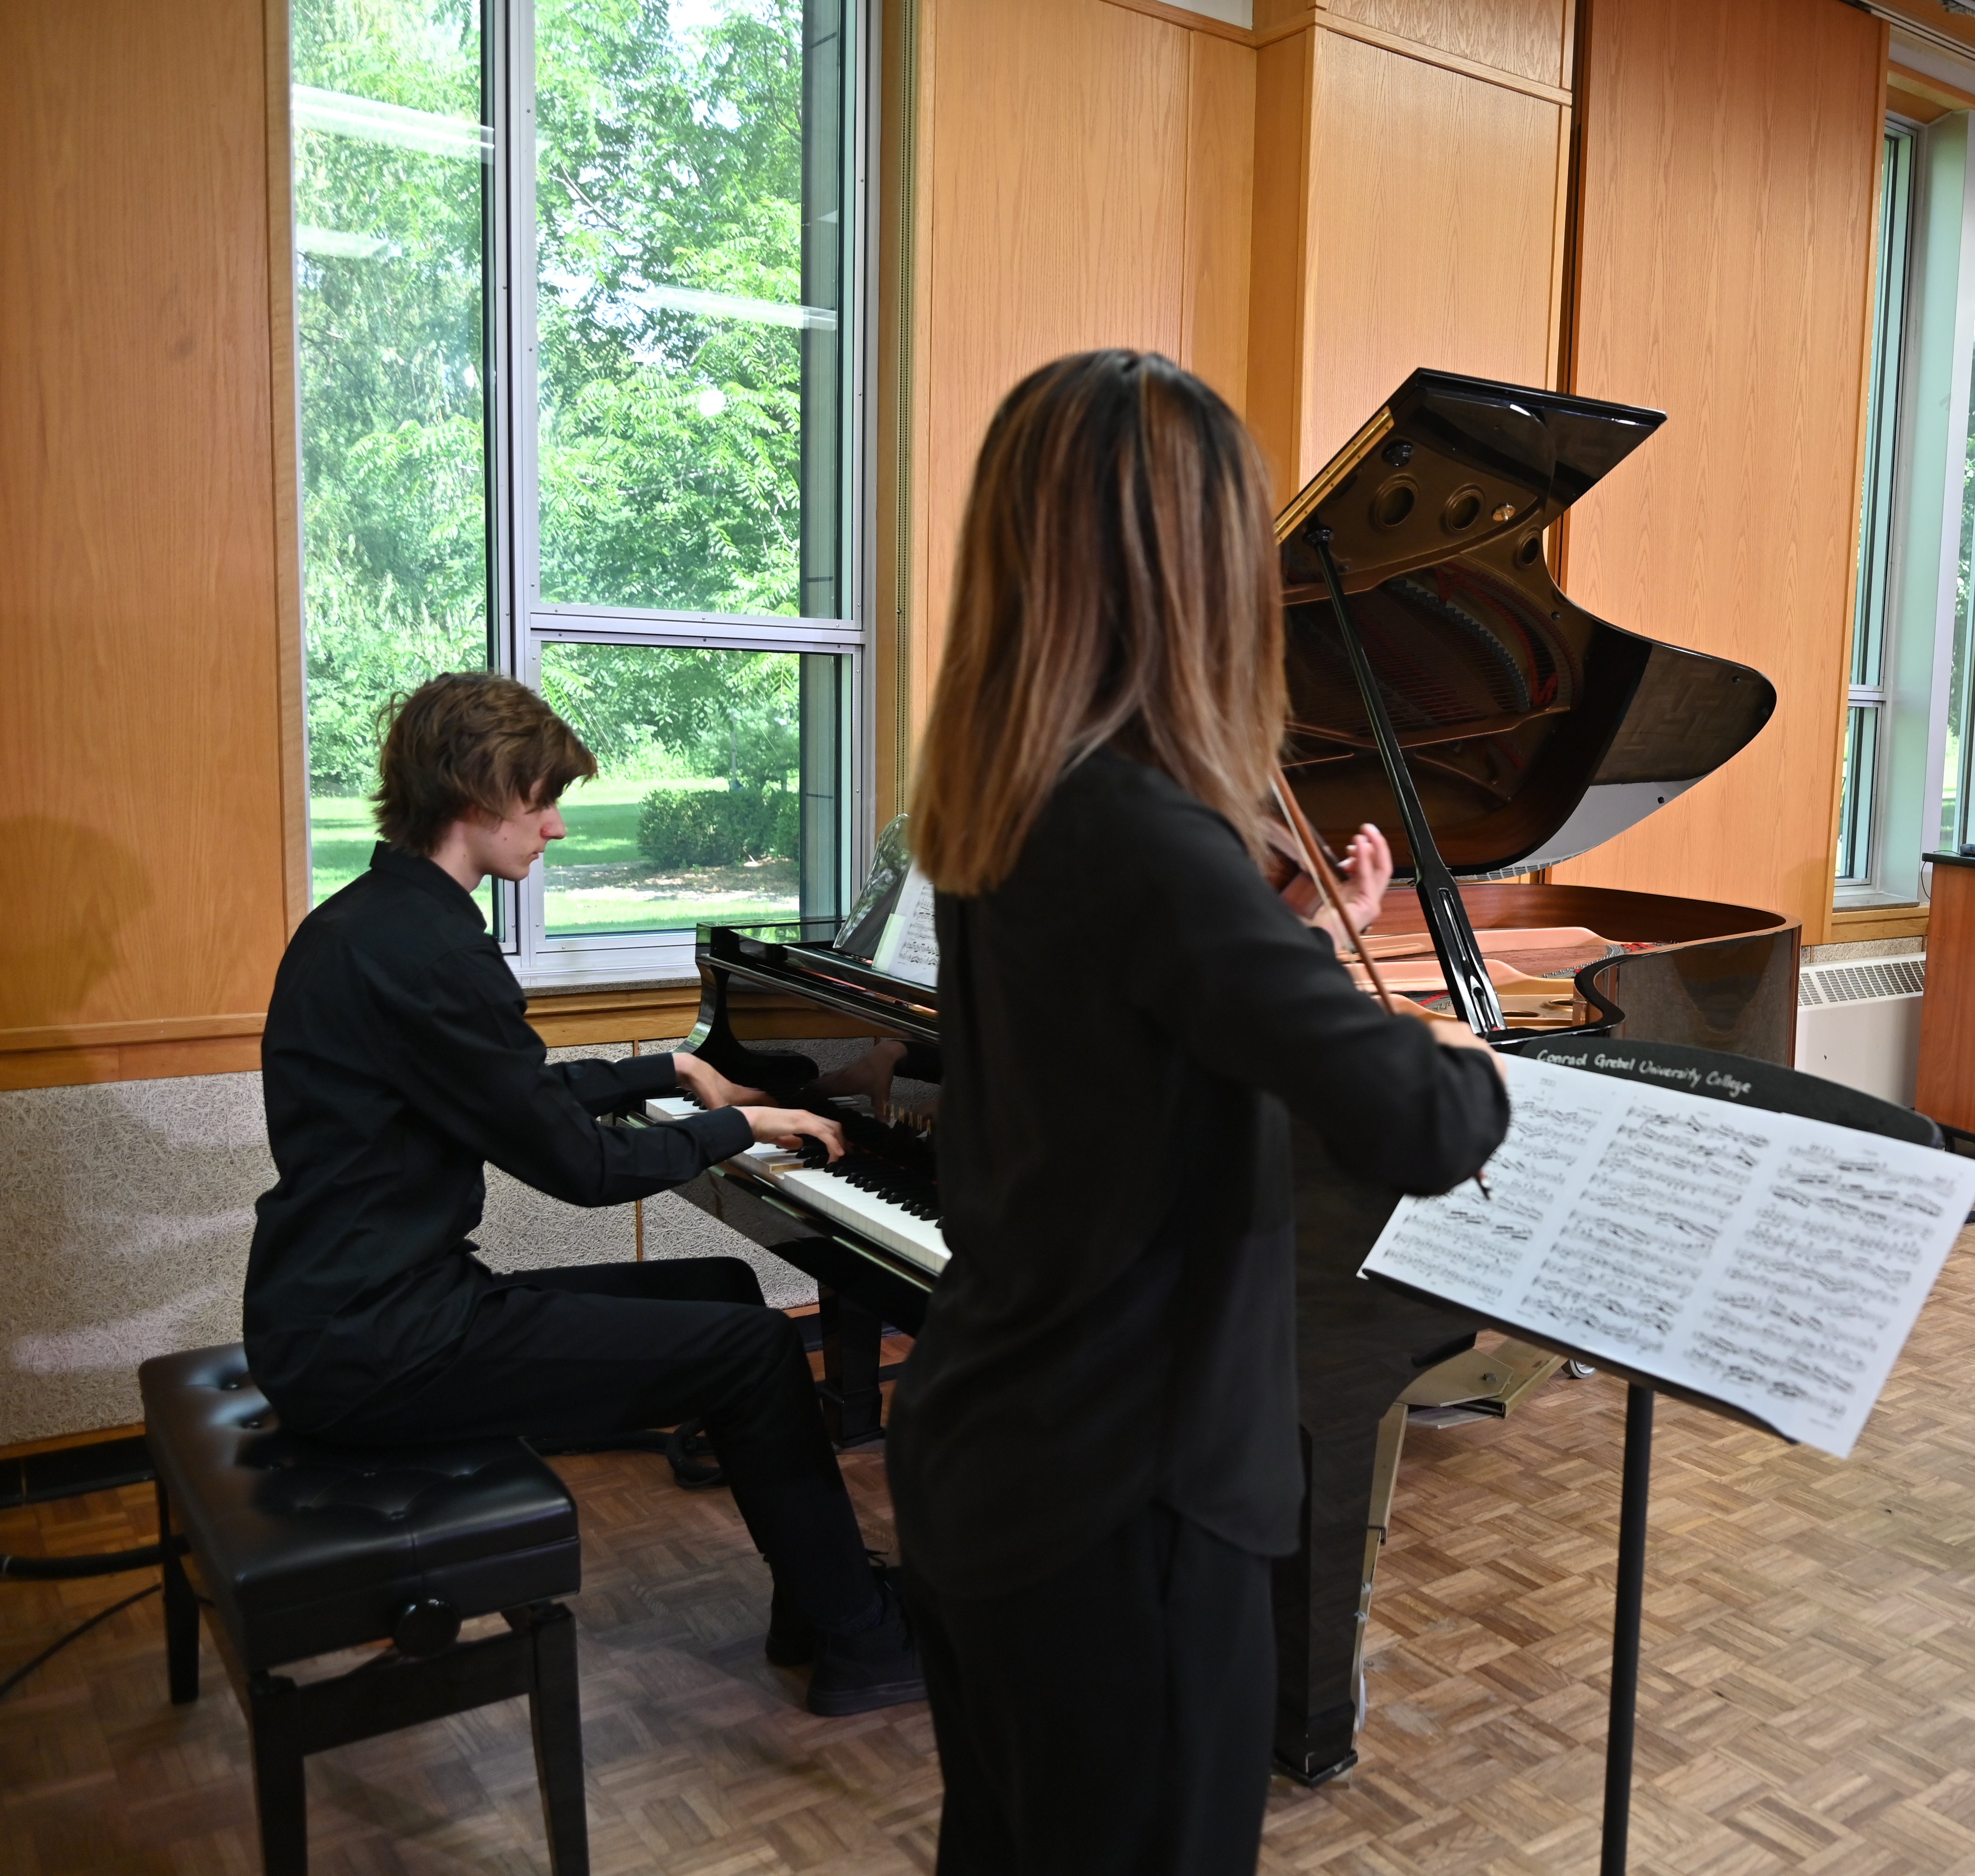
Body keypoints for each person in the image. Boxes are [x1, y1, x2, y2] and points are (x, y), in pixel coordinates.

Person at [881, 350, 1511, 1876]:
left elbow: (1138, 1026)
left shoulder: (1003, 804)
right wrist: (1432, 1029)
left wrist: (1293, 955)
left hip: (993, 1450)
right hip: (1129, 1507)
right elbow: (1430, 1125)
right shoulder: (1148, 836)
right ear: (1196, 577)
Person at [244, 671, 922, 1716]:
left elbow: (502, 1094)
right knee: (749, 1351)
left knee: (722, 1293)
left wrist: (668, 1073)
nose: (558, 824)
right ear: (475, 793)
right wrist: (739, 1122)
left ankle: (818, 1597)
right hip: (384, 1347)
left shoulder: (373, 922)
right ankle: (862, 1637)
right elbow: (582, 1168)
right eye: (540, 798)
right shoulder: (430, 952)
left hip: (343, 1311)